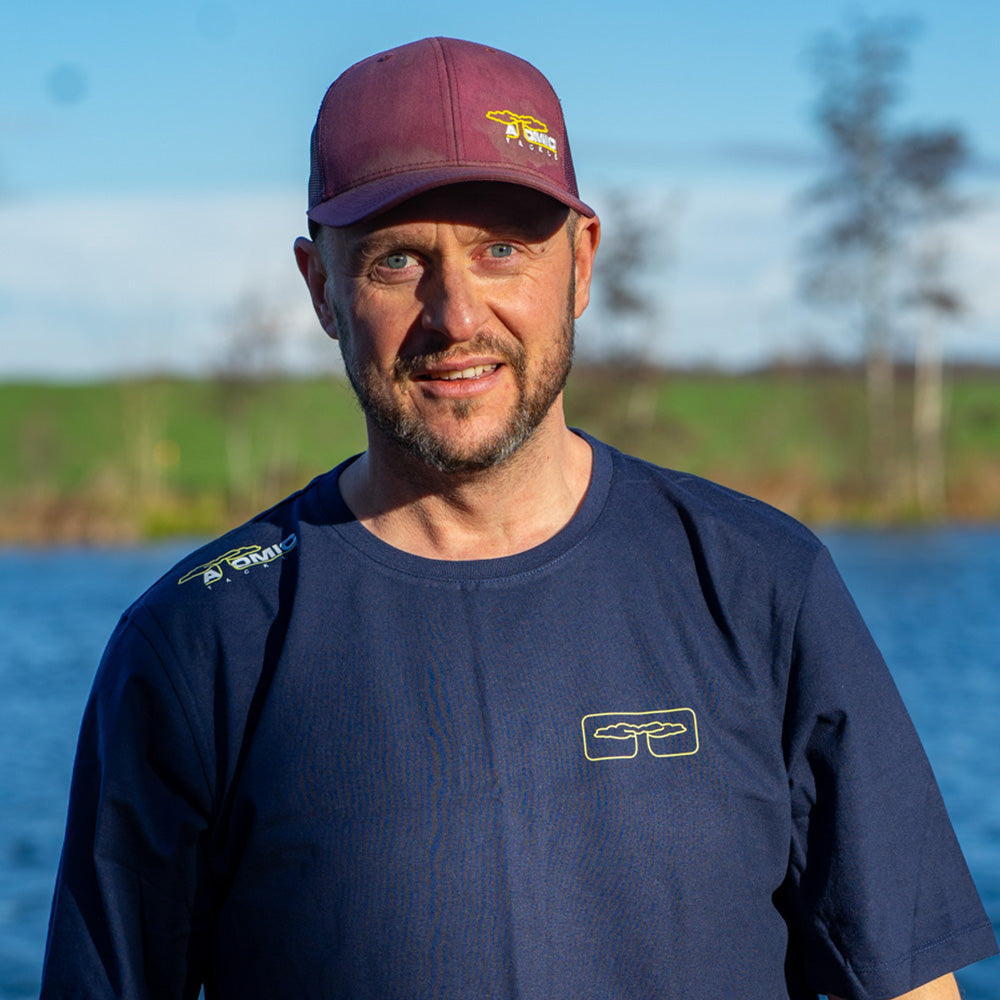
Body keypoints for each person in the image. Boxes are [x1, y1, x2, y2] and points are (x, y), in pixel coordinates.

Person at [42, 37, 996, 1000]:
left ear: (580, 262)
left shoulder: (761, 586)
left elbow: (909, 985)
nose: (457, 314)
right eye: (398, 259)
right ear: (322, 287)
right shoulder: (197, 641)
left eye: (503, 249)